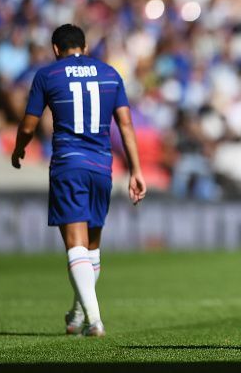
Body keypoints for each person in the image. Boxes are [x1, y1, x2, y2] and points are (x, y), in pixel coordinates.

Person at [11, 24, 146, 337]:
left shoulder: (48, 75)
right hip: (102, 167)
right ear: (84, 47)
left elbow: (29, 126)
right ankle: (76, 314)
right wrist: (136, 170)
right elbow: (125, 125)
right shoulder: (110, 73)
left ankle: (94, 320)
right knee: (92, 248)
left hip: (69, 165)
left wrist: (19, 150)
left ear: (56, 49)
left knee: (75, 245)